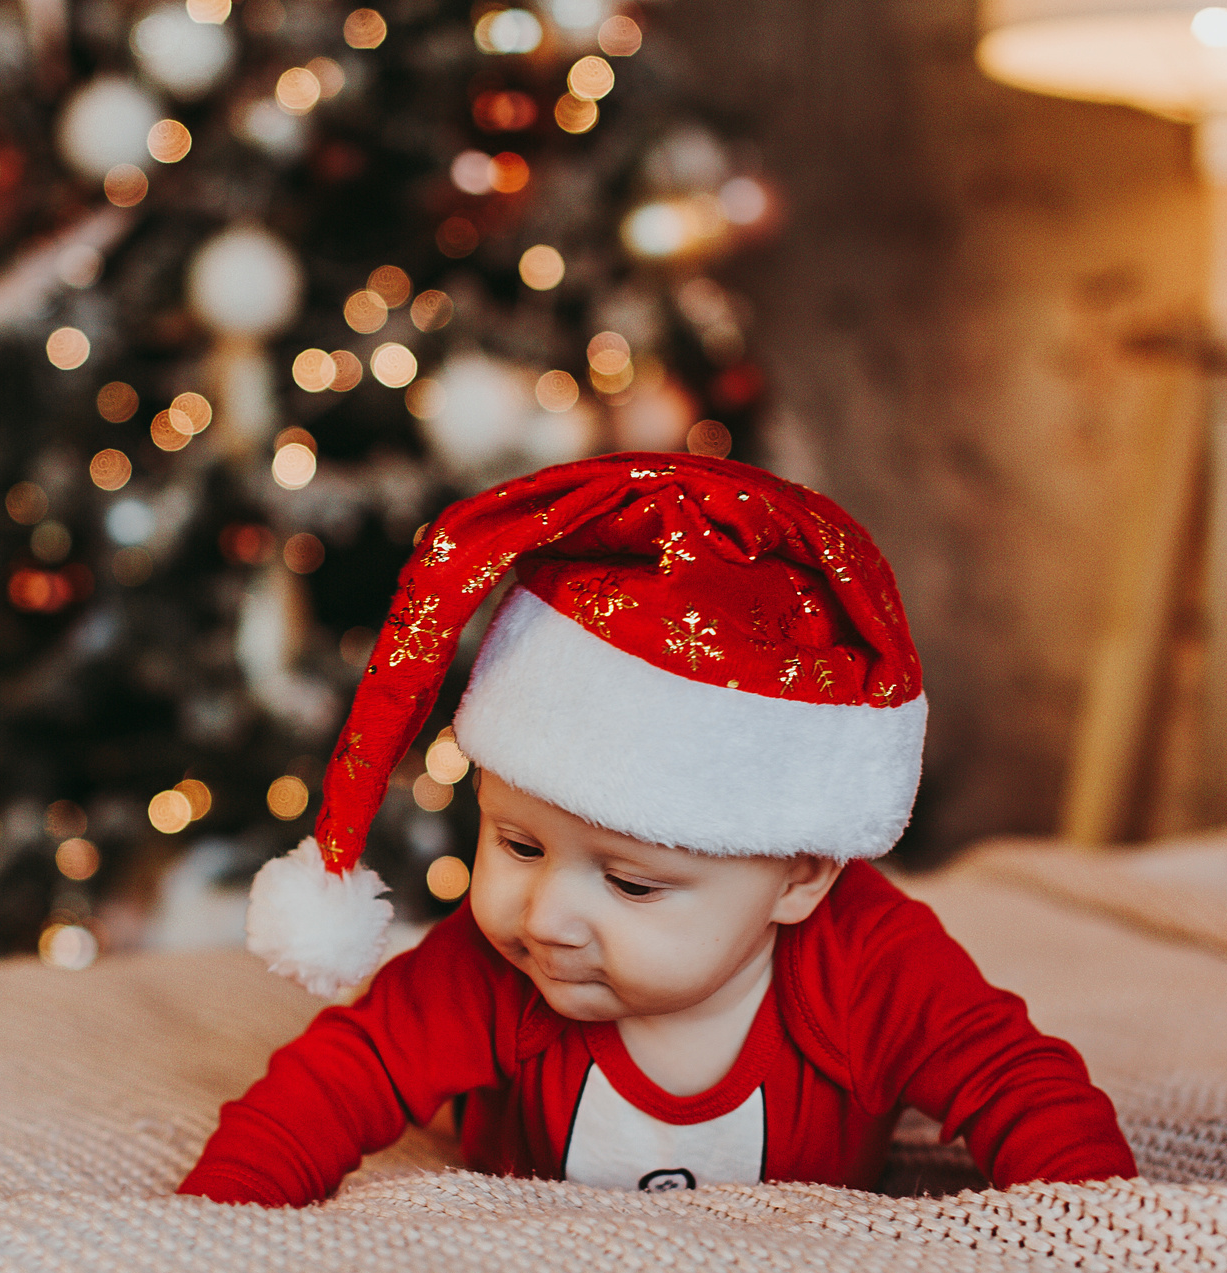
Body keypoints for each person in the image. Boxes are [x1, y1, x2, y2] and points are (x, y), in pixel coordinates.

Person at [178, 453, 1136, 1206]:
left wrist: (1107, 1226)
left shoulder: (867, 962)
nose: (547, 915)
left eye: (631, 884)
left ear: (799, 877)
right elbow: (347, 1071)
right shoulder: (495, 969)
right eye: (517, 845)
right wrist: (227, 1208)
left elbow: (1018, 1084)